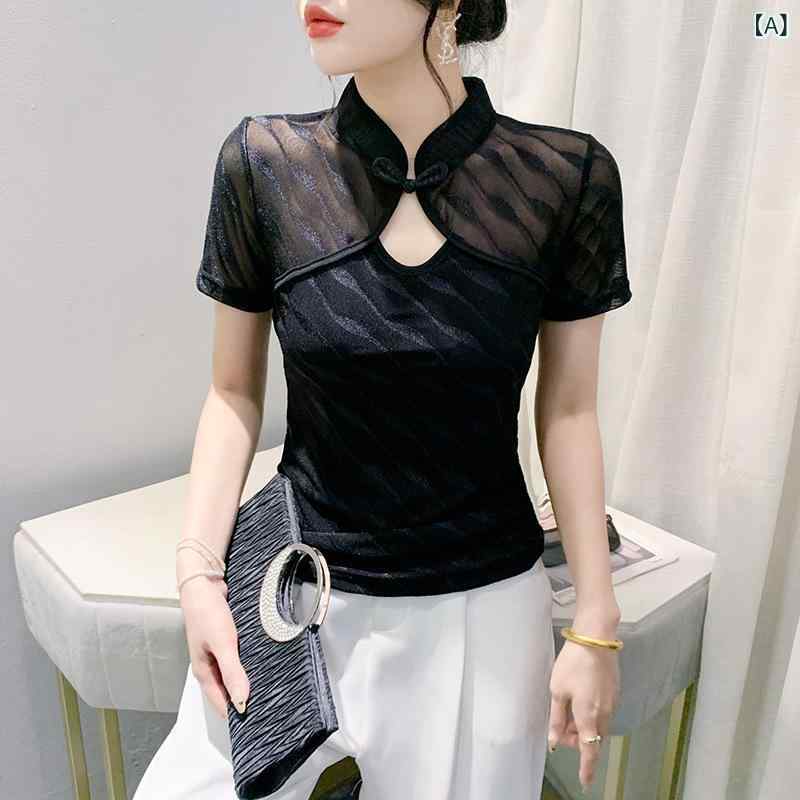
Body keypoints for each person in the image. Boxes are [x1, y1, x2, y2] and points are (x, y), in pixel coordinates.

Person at [133, 1, 630, 798]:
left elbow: (569, 410)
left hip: (478, 612)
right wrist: (198, 576)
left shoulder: (564, 178)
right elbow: (232, 392)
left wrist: (595, 621)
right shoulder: (264, 165)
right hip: (292, 591)